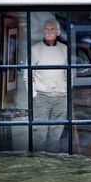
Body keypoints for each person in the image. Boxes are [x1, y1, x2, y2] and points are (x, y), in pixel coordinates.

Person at [25, 18, 68, 152]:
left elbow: (69, 74)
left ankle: (53, 165)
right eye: (46, 29)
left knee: (56, 135)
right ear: (43, 32)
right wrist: (34, 95)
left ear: (58, 32)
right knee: (39, 134)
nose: (49, 32)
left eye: (52, 29)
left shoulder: (64, 49)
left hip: (61, 98)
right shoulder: (34, 49)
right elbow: (27, 75)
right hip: (41, 97)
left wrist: (66, 91)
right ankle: (39, 164)